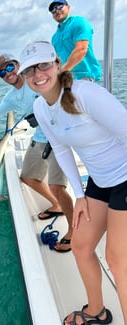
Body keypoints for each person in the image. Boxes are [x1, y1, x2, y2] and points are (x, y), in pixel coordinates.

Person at [18, 40, 127, 324]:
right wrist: (79, 195)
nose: (37, 74)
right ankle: (97, 311)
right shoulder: (41, 107)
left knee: (117, 260)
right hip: (100, 182)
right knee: (80, 245)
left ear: (57, 65)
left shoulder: (86, 94)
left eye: (43, 65)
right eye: (30, 70)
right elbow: (62, 149)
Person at [0, 53, 74, 252]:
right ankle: (56, 205)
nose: (8, 73)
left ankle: (74, 230)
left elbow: (62, 92)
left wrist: (45, 113)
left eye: (10, 67)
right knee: (28, 177)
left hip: (58, 136)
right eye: (2, 72)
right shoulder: (11, 97)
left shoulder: (37, 81)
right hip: (39, 137)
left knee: (57, 186)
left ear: (18, 65)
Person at [49, 0, 101, 81]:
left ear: (68, 7)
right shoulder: (55, 37)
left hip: (85, 76)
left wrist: (63, 71)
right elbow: (56, 60)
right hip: (66, 79)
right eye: (53, 10)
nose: (57, 11)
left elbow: (81, 49)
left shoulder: (79, 22)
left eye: (59, 6)